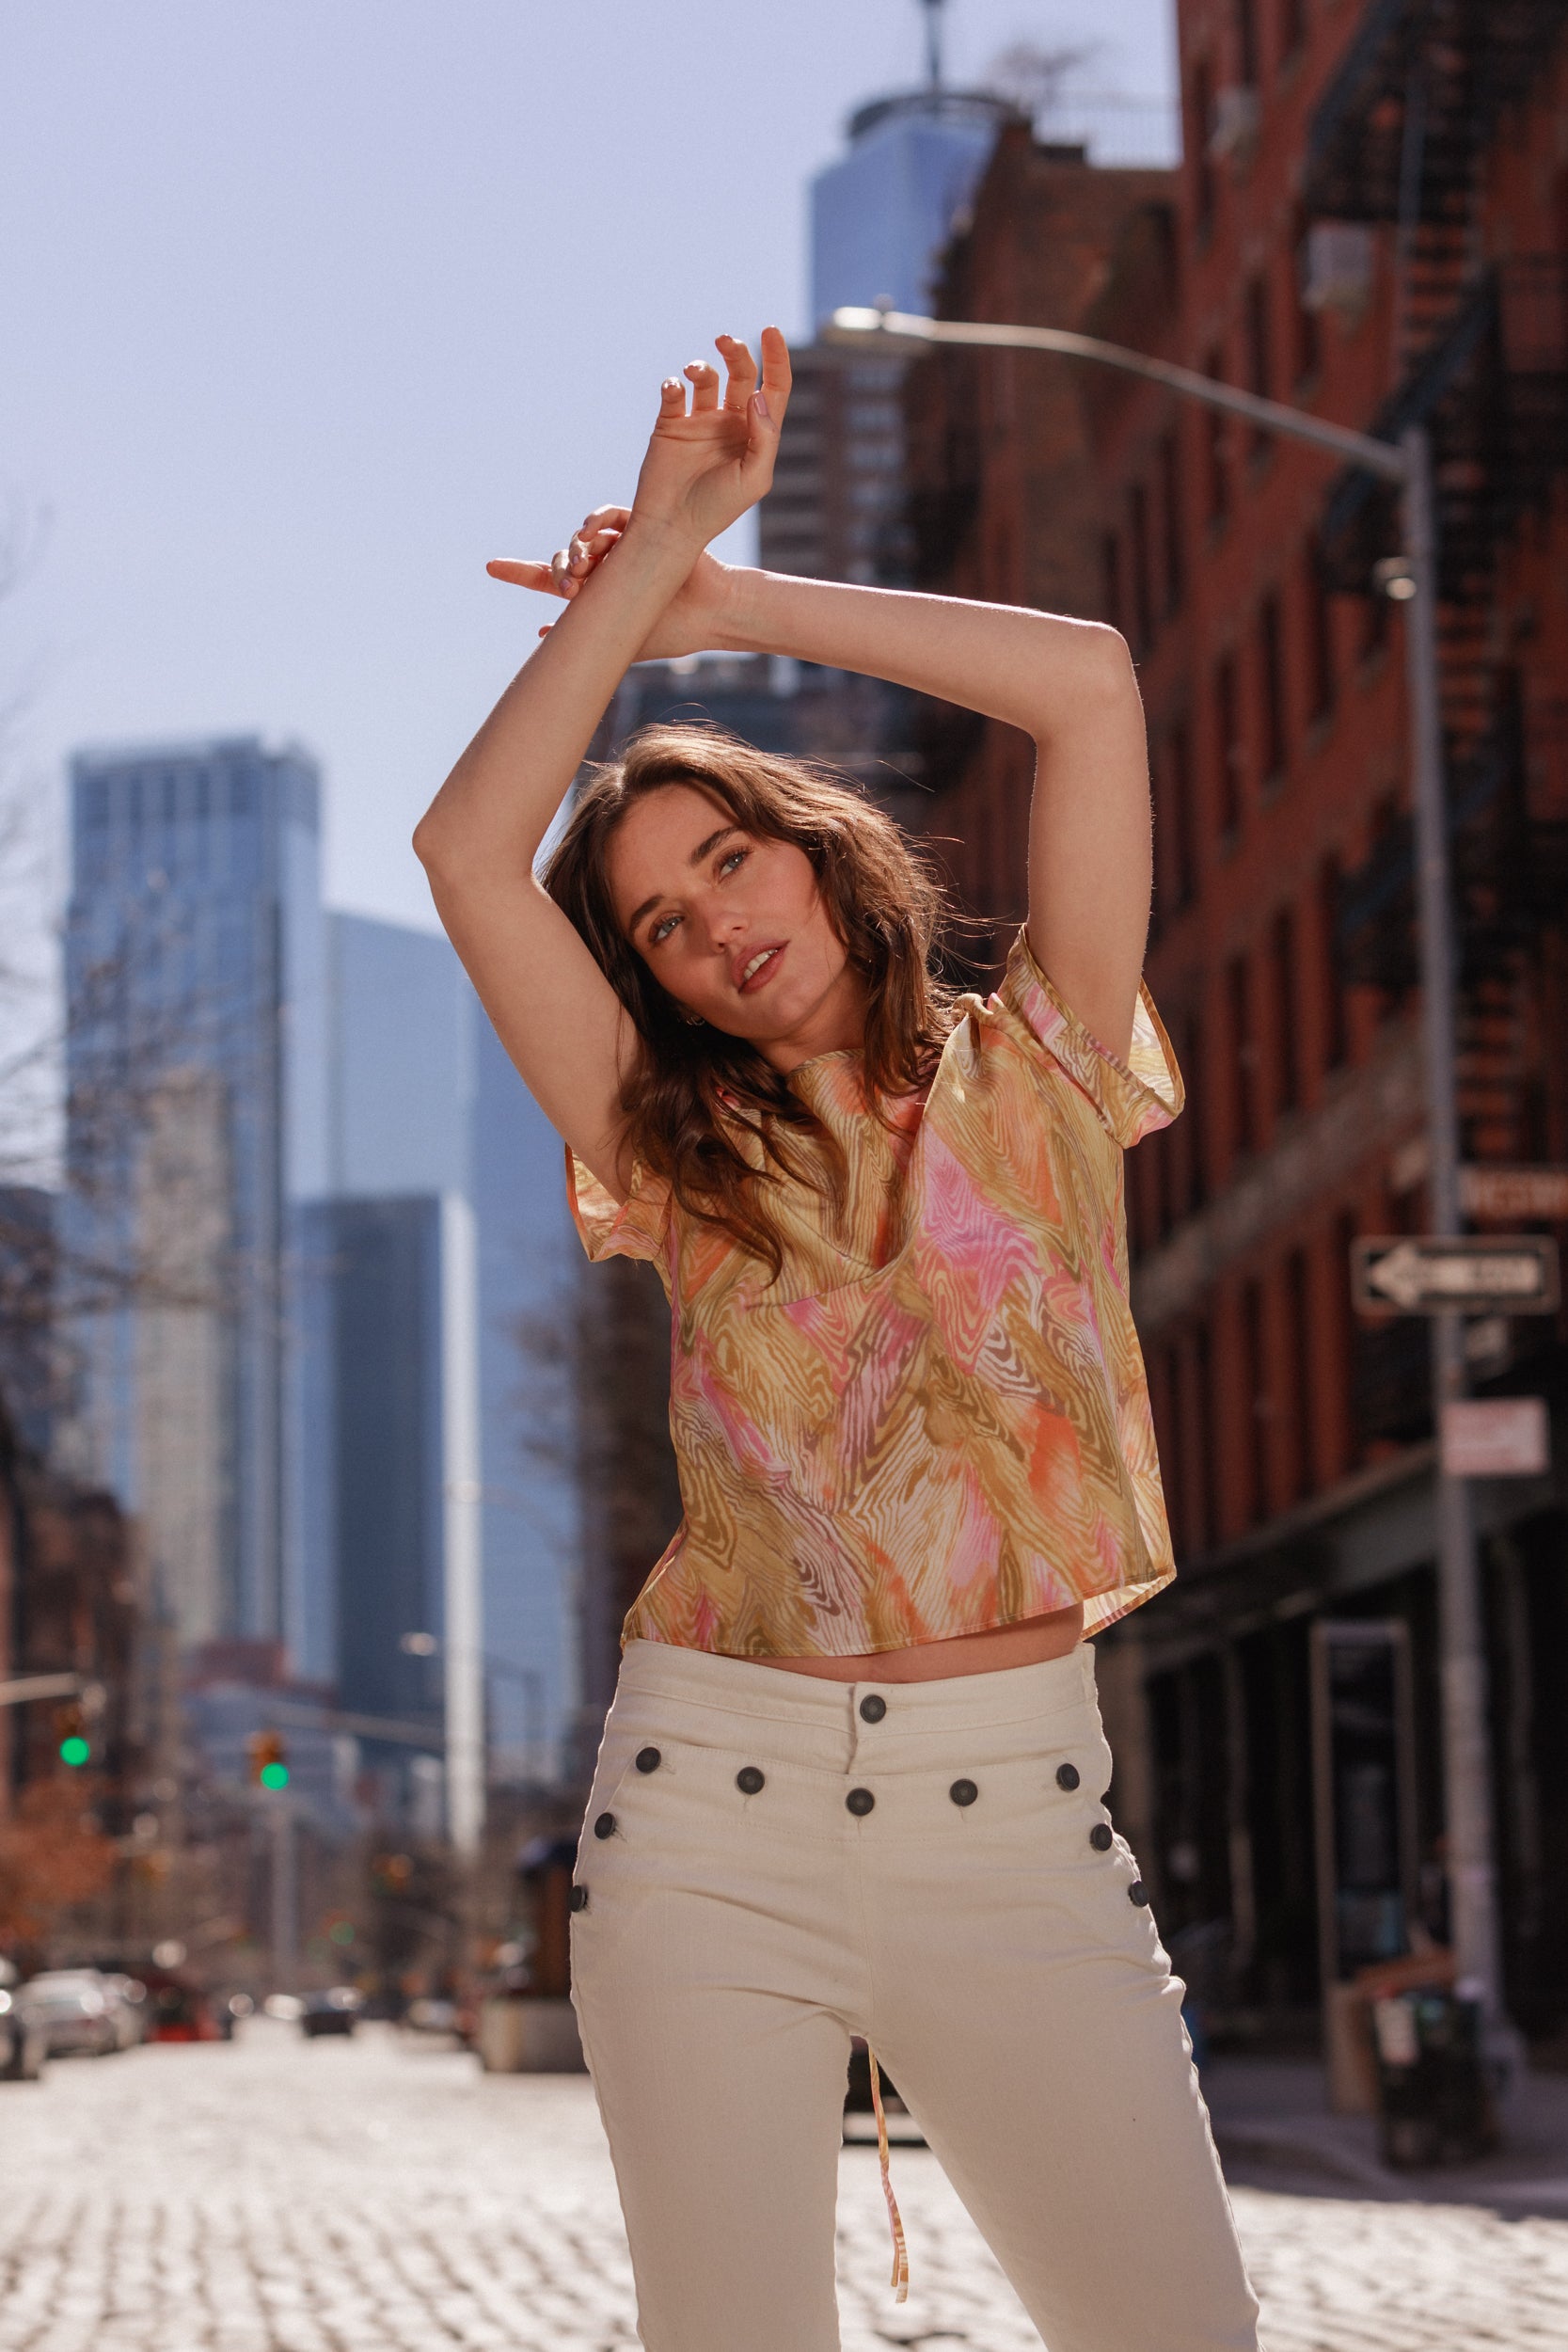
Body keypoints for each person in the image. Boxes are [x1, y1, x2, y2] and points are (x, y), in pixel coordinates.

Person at [416, 329, 1262, 2352]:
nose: (716, 920)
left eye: (729, 854)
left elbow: (1089, 682)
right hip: (714, 1812)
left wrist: (717, 599)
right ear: (654, 982)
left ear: (809, 843)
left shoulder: (1046, 1059)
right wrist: (630, 585)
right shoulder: (666, 1145)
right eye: (662, 922)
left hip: (1022, 1822)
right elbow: (464, 853)